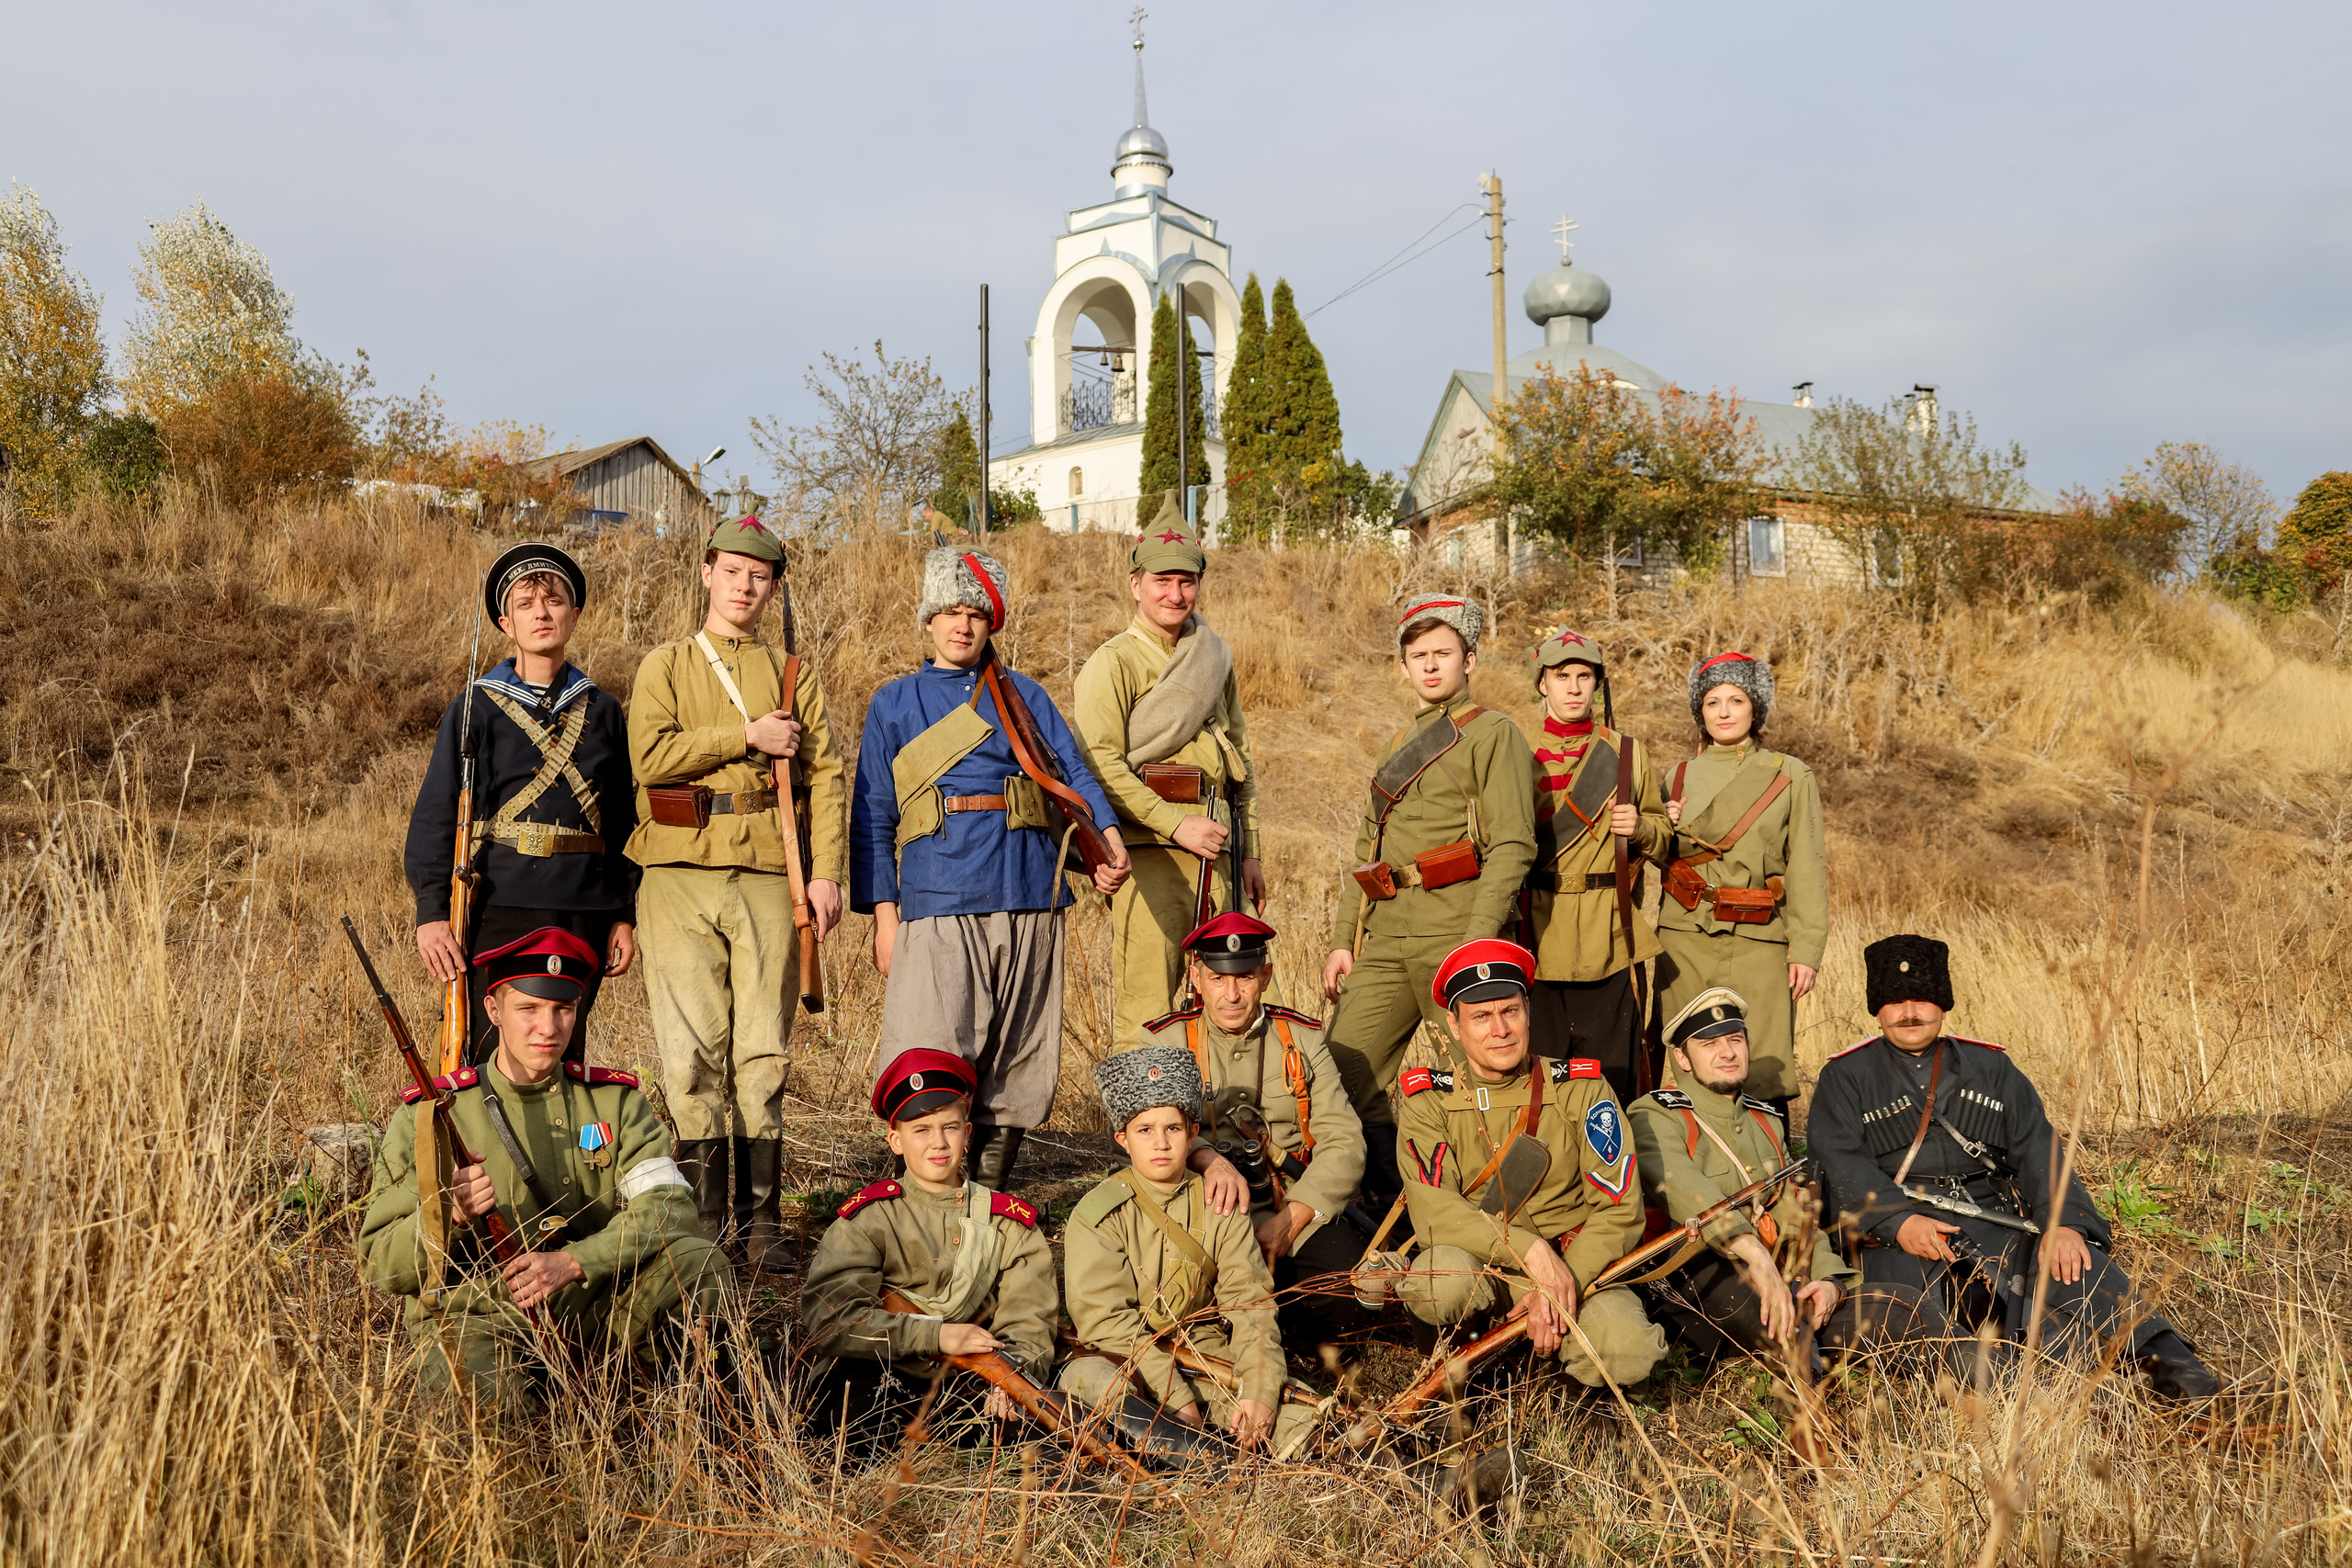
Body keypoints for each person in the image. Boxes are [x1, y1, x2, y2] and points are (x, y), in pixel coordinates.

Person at [1809, 934, 2222, 1400]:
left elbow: (2037, 1148)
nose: (1910, 1012)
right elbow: (1839, 1162)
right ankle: (2055, 1392)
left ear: (1942, 1005)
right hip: (1902, 1239)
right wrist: (1897, 1222)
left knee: (2077, 1268)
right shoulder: (1843, 1077)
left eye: (1922, 1000)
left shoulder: (1992, 1067)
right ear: (1878, 1009)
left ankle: (2181, 1374)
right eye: (1896, 1001)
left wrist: (2064, 1224)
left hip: (1995, 1220)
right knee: (1932, 1325)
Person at [851, 547, 1128, 1190]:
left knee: (1019, 1057)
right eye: (949, 610)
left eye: (975, 612)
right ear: (928, 618)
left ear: (991, 621)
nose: (962, 625)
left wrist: (1108, 838)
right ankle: (923, 1204)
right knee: (932, 1052)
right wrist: (885, 917)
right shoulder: (894, 703)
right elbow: (872, 816)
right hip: (937, 897)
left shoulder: (1022, 694)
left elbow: (1072, 772)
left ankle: (991, 1196)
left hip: (1030, 889)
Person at [356, 928, 727, 1404]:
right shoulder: (428, 1116)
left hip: (591, 1302)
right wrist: (447, 1213)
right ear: (494, 1010)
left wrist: (575, 1261)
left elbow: (671, 1210)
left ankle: (675, 1413)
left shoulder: (615, 1102)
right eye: (528, 1009)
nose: (548, 1029)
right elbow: (382, 1266)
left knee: (699, 1265)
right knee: (490, 1424)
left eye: (563, 1009)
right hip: (479, 1314)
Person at [626, 515, 849, 1264]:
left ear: (773, 585)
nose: (745, 585)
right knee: (689, 1054)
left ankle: (762, 1226)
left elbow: (826, 777)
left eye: (760, 575)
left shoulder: (793, 673)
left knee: (763, 1051)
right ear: (706, 574)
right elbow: (650, 757)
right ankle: (704, 1225)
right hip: (678, 873)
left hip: (765, 873)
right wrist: (744, 736)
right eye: (732, 570)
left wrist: (824, 874)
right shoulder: (666, 664)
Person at [1320, 595, 1537, 1211]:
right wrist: (1344, 939)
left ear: (1470, 658)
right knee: (1344, 1070)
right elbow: (1368, 850)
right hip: (1388, 932)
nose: (1432, 666)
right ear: (1404, 666)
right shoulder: (1400, 740)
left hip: (1456, 928)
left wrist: (1477, 940)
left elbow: (1513, 843)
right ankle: (1398, 1202)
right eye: (1419, 656)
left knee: (1481, 1084)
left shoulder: (1493, 733)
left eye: (1444, 653)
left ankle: (1487, 1216)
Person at [1384, 939, 1668, 1393]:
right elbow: (1436, 1213)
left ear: (1528, 1013)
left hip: (1576, 1265)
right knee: (1438, 1280)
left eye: (1510, 1011)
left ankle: (1579, 1398)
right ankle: (1455, 1390)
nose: (1500, 1030)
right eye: (1480, 1017)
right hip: (1487, 1266)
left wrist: (1559, 1280)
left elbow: (1619, 1209)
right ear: (1454, 1027)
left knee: (1626, 1347)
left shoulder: (1582, 1090)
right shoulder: (1428, 1101)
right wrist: (1532, 1254)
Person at [405, 543, 639, 1066]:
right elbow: (437, 818)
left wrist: (623, 913)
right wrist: (432, 913)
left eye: (555, 601)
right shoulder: (474, 706)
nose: (542, 613)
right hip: (498, 903)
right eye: (527, 604)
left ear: (574, 615)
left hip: (585, 907)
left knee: (562, 1048)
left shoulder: (604, 710)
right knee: (493, 1056)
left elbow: (625, 822)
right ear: (504, 621)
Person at [1630, 987, 1929, 1364]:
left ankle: (2004, 1384)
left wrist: (1829, 1282)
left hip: (1782, 1279)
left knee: (1906, 1309)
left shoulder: (1765, 1121)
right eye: (1709, 1044)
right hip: (1702, 1277)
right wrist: (1753, 1253)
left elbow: (1798, 1217)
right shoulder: (1655, 1114)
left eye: (1735, 1040)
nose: (1727, 1053)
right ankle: (1811, 1409)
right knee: (1794, 1343)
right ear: (1682, 1058)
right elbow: (1688, 1192)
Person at [1058, 1044, 1317, 1456]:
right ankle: (1187, 1460)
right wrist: (1176, 1398)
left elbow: (1250, 1301)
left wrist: (1261, 1388)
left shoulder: (1220, 1202)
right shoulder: (1098, 1216)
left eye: (1173, 1129)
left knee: (1304, 1415)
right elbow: (1108, 1325)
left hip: (1202, 1350)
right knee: (1091, 1381)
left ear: (1193, 1133)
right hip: (1128, 1359)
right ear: (1122, 1139)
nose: (1160, 1143)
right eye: (1145, 1131)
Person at [798, 1049, 1058, 1456]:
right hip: (884, 1371)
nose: (938, 1143)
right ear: (895, 1141)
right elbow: (832, 1318)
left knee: (1016, 1437)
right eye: (921, 1130)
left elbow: (1029, 1320)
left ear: (967, 1133)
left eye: (949, 1127)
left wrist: (1012, 1379)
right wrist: (936, 1335)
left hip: (969, 1382)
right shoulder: (870, 1218)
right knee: (849, 1403)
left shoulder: (1008, 1223)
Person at [1072, 495, 1264, 1043]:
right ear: (1136, 584)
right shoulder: (1113, 663)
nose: (1174, 594)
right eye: (1161, 580)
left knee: (1229, 1003)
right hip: (1150, 857)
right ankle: (1145, 1127)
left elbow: (1240, 763)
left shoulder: (1214, 657)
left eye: (1186, 582)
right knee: (1149, 1011)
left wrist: (1249, 853)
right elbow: (1099, 765)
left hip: (1219, 857)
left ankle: (1215, 1124)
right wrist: (1176, 824)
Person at [1142, 912, 1369, 1353]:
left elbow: (1345, 1141)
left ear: (1265, 975)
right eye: (1217, 979)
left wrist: (1294, 1218)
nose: (1231, 995)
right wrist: (1207, 1158)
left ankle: (1288, 1323)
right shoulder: (1164, 1042)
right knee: (1172, 1302)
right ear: (1196, 976)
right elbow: (1147, 1134)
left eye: (1244, 978)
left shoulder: (1302, 1040)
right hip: (1201, 1209)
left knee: (1349, 1301)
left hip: (1285, 1203)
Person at [1653, 652, 1826, 1125]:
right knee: (1693, 1058)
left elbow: (1807, 866)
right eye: (1712, 701)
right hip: (1684, 938)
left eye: (1737, 700)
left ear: (1757, 710)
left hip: (1761, 938)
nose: (1724, 711)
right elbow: (1651, 854)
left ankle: (1771, 1177)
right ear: (1700, 711)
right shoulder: (1675, 778)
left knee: (1763, 1061)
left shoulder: (1789, 774)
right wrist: (1660, 828)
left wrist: (1806, 948)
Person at [1519, 626, 1669, 1108]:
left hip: (1608, 932)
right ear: (1543, 683)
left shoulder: (1626, 753)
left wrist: (1641, 827)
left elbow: (1664, 837)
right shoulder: (1515, 751)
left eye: (1584, 675)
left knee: (1613, 1080)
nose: (1574, 686)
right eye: (1562, 675)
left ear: (1596, 683)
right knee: (1541, 1077)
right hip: (1538, 933)